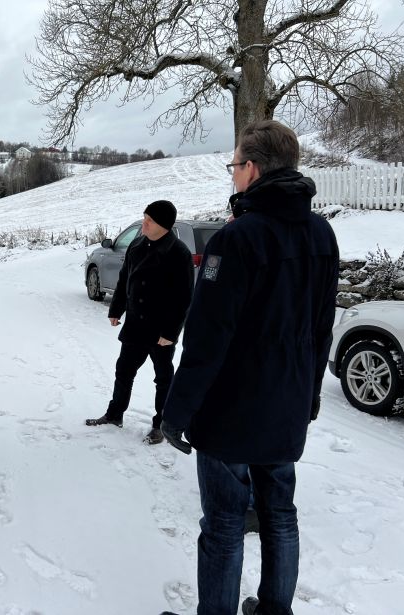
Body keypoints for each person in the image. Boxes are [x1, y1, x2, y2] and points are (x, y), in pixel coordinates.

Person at [159, 120, 339, 615]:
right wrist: (311, 393)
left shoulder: (235, 240)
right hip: (287, 405)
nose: (233, 174)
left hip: (230, 412)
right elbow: (321, 329)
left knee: (223, 521)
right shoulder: (323, 235)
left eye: (235, 165)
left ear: (253, 169)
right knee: (280, 512)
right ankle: (276, 609)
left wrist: (176, 412)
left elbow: (206, 339)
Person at [86, 200, 194, 444]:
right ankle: (115, 414)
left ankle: (161, 425)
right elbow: (125, 279)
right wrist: (116, 309)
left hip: (160, 330)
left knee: (163, 378)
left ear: (163, 225)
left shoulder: (178, 253)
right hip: (135, 324)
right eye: (144, 217)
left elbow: (183, 297)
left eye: (149, 220)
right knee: (123, 371)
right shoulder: (137, 245)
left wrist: (171, 332)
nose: (144, 223)